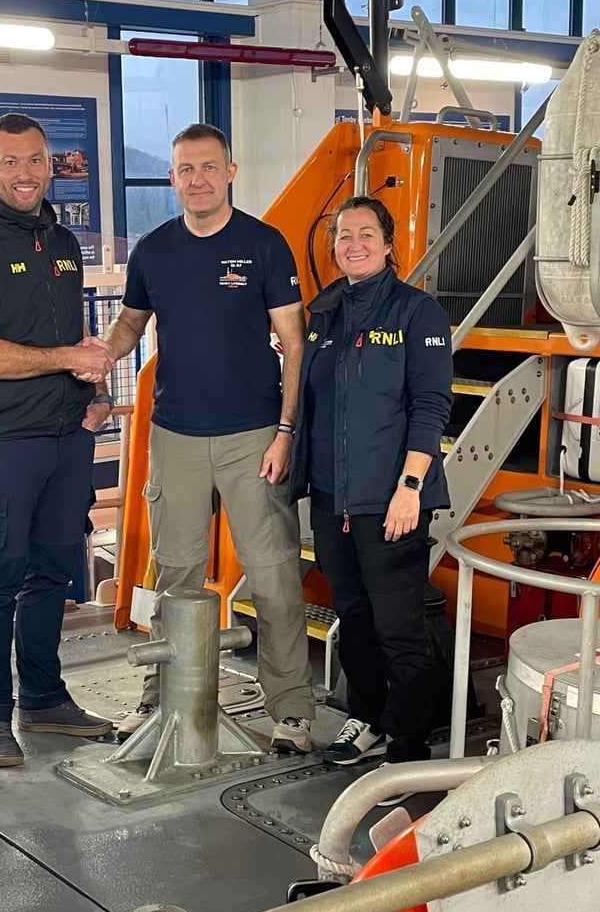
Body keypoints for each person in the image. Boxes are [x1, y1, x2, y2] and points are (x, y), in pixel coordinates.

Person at [91, 123, 316, 753]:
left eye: (208, 167)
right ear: (173, 179)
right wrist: (100, 356)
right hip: (176, 436)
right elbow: (131, 325)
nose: (197, 179)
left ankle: (292, 712)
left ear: (230, 172)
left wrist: (285, 431)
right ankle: (160, 698)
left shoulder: (265, 245)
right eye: (185, 170)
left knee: (272, 576)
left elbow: (293, 344)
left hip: (253, 437)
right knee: (176, 577)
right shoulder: (155, 251)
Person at [0, 113, 116, 767]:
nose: (26, 172)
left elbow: (70, 335)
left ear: (52, 162)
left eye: (36, 159)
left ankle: (42, 699)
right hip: (2, 439)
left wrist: (95, 394)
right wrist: (69, 356)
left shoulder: (63, 243)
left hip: (67, 438)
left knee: (51, 573)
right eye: (10, 161)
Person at [290, 196, 452, 779]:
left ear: (388, 244)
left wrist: (410, 487)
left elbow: (431, 405)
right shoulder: (324, 314)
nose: (352, 243)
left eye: (365, 233)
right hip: (334, 498)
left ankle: (408, 747)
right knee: (352, 616)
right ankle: (368, 716)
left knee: (399, 626)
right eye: (342, 234)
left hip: (392, 499)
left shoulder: (418, 313)